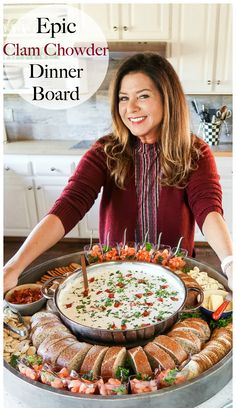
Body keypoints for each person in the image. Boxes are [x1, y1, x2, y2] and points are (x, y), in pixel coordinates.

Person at [4, 53, 233, 292]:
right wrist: (14, 265)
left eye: (143, 96)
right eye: (123, 98)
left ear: (168, 100)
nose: (130, 108)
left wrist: (229, 263)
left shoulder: (195, 152)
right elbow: (70, 204)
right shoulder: (106, 151)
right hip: (114, 272)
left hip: (173, 275)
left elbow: (208, 210)